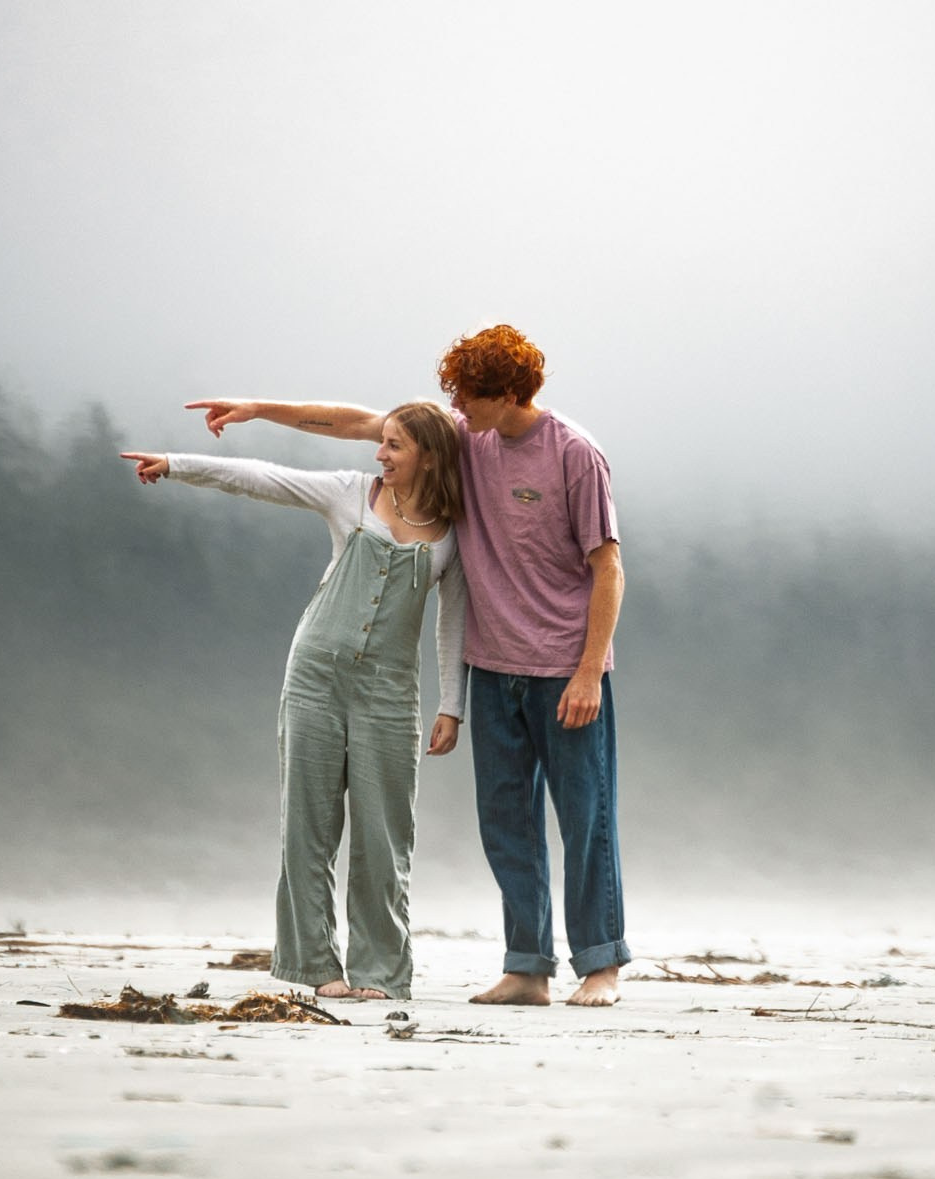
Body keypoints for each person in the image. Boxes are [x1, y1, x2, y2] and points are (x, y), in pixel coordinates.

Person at [186, 324, 629, 1007]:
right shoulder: (467, 437)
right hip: (493, 667)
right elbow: (356, 422)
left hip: (566, 669)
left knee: (585, 817)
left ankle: (601, 966)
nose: (458, 407)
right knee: (507, 824)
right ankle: (528, 968)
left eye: (469, 395)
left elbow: (609, 567)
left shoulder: (575, 454)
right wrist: (257, 409)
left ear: (508, 392)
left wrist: (590, 669)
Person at [119, 403, 467, 1003]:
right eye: (381, 441)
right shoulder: (350, 494)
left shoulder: (455, 534)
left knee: (385, 835)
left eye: (394, 446)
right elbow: (260, 478)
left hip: (390, 692)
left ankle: (380, 971)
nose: (379, 454)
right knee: (309, 825)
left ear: (429, 457)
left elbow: (453, 622)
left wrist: (451, 706)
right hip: (315, 675)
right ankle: (312, 965)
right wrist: (174, 464)